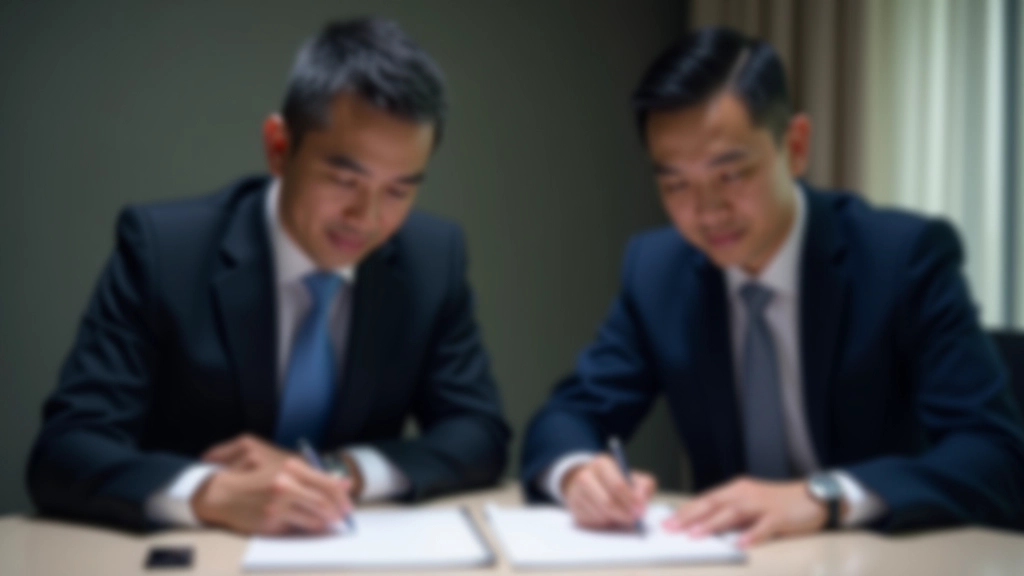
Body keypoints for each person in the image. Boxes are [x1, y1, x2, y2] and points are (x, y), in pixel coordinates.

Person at [520, 26, 1024, 547]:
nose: (707, 211)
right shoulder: (658, 271)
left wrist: (823, 494)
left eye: (731, 175)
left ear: (796, 145)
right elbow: (569, 415)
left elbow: (994, 455)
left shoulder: (902, 259)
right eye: (675, 185)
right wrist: (579, 474)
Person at [27, 17, 510, 534]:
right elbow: (66, 450)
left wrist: (334, 472)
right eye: (345, 179)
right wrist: (210, 492)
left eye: (398, 191)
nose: (367, 220)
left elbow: (478, 432)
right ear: (279, 147)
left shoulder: (432, 260)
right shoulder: (163, 251)